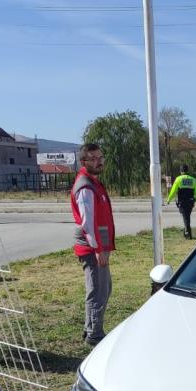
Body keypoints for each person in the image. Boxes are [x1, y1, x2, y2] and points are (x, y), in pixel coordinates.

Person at [70, 143, 115, 346]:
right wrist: (98, 249)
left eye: (101, 157)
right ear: (83, 161)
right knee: (98, 290)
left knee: (102, 288)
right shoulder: (85, 186)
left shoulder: (94, 183)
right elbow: (88, 222)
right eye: (93, 158)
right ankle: (95, 335)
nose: (99, 162)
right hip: (92, 247)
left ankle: (90, 328)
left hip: (98, 246)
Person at [167, 164, 196, 239]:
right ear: (187, 170)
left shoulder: (178, 179)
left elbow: (173, 191)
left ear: (181, 171)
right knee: (187, 216)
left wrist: (169, 199)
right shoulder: (193, 179)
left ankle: (187, 232)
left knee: (185, 217)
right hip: (190, 202)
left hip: (182, 202)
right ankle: (187, 232)